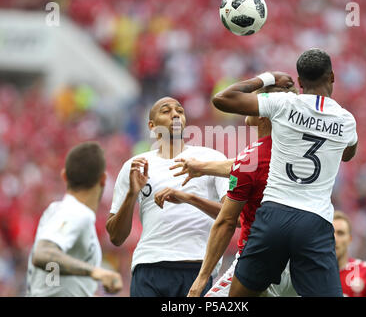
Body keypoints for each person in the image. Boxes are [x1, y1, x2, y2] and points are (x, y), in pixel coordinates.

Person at [211, 48, 358, 297]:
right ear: (332, 76)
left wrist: (269, 78)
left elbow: (222, 99)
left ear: (299, 82)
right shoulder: (346, 121)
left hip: (274, 216)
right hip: (315, 221)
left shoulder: (283, 104)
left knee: (237, 298)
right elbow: (348, 154)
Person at [161, 85, 299, 297]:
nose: (248, 105)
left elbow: (227, 221)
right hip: (298, 265)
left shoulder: (251, 158)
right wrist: (202, 167)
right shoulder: (295, 150)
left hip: (257, 261)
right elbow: (250, 167)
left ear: (264, 116)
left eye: (255, 102)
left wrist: (202, 278)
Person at [106, 97, 229, 297]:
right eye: (166, 111)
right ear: (152, 126)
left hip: (196, 268)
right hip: (148, 267)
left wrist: (188, 198)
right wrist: (131, 195)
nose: (175, 114)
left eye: (180, 110)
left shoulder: (211, 159)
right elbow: (116, 237)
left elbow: (235, 217)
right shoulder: (135, 165)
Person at [26, 142, 123, 297]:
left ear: (64, 176)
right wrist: (96, 272)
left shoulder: (59, 210)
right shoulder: (75, 212)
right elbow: (43, 253)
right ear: (103, 179)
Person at [333, 210, 366, 297]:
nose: (335, 239)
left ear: (350, 239)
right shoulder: (312, 273)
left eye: (340, 233)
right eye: (331, 233)